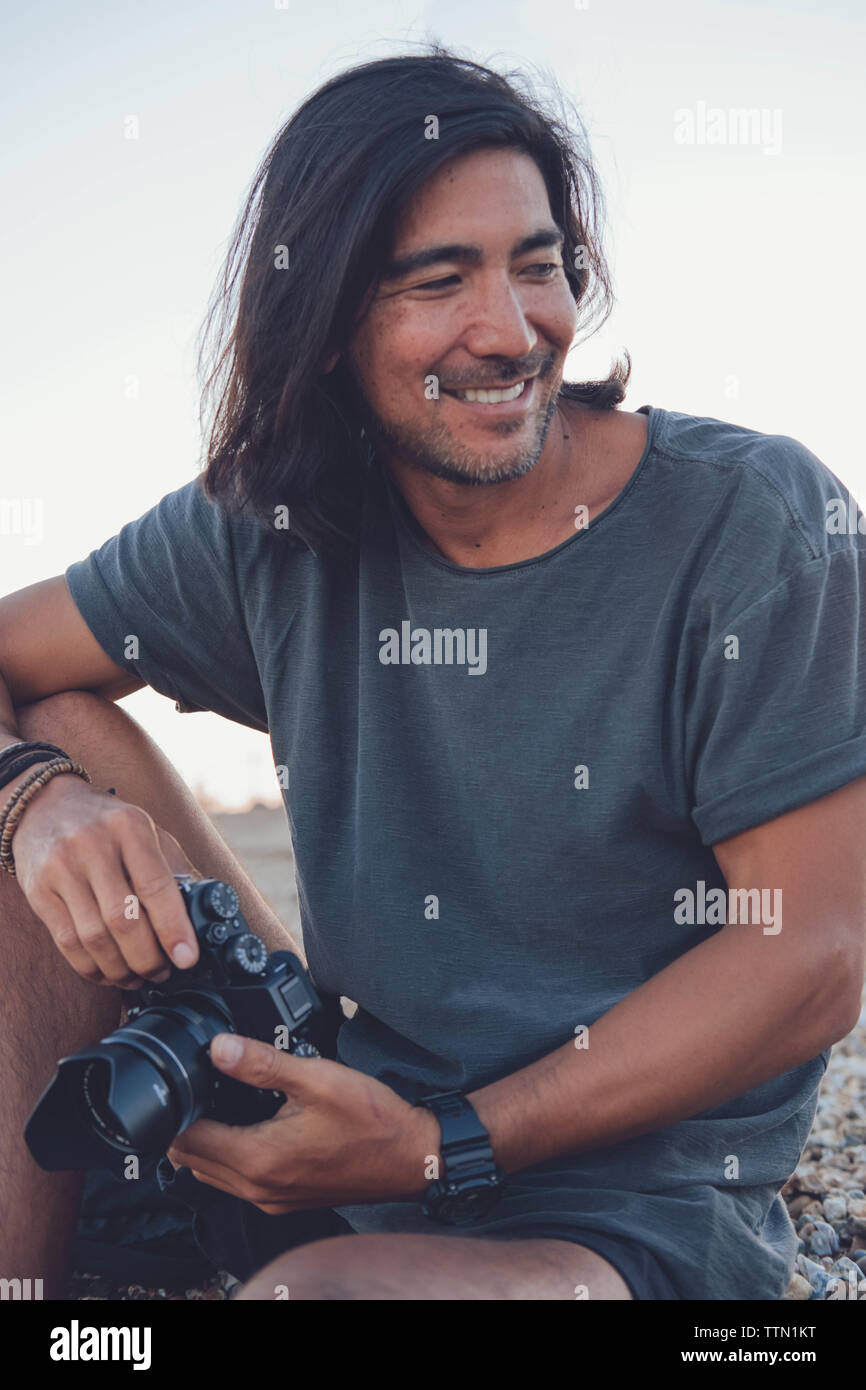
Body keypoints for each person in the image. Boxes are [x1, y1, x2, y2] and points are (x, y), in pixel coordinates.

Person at [1, 48, 864, 1303]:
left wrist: (432, 1147)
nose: (513, 332)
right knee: (55, 731)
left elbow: (809, 956)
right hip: (323, 1122)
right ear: (328, 326)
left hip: (610, 1220)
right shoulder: (272, 524)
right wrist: (39, 803)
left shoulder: (756, 526)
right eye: (438, 280)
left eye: (535, 264)